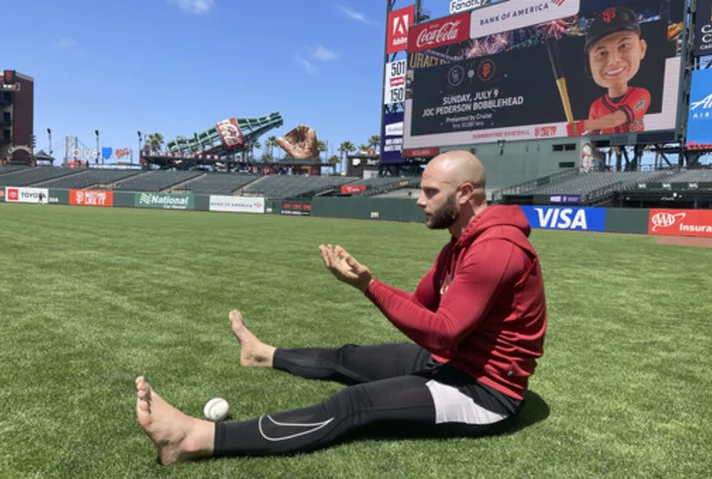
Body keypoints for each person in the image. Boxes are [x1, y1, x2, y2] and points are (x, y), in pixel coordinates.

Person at [134, 150, 548, 465]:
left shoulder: (496, 250)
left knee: (355, 405)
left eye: (429, 192)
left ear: (464, 194)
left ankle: (194, 438)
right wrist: (367, 283)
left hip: (484, 392)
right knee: (347, 357)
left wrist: (369, 288)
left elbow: (442, 330)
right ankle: (263, 354)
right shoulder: (460, 244)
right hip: (452, 360)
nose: (419, 200)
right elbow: (422, 306)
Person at [567, 6, 650, 136]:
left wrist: (581, 126)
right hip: (606, 152)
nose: (613, 60)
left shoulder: (641, 95)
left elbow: (617, 119)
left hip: (635, 150)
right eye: (602, 53)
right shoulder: (596, 106)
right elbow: (592, 136)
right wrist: (577, 140)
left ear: (642, 48)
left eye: (624, 46)